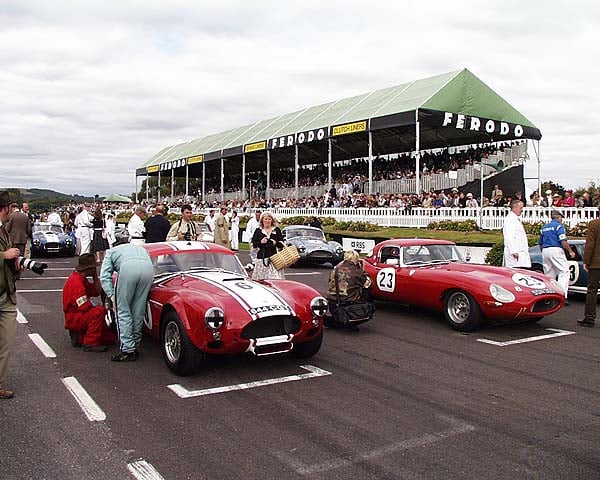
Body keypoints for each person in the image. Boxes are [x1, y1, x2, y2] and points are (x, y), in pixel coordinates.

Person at [100, 243, 154, 361]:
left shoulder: (110, 252)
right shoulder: (140, 248)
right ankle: (135, 343)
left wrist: (112, 296)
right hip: (148, 269)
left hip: (128, 268)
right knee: (138, 311)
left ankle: (128, 349)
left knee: (122, 311)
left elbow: (104, 276)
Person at [63, 254, 116, 352]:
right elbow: (84, 306)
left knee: (110, 338)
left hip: (77, 316)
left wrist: (95, 277)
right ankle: (90, 343)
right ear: (90, 268)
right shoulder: (77, 283)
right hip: (75, 317)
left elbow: (96, 291)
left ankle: (80, 337)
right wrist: (98, 310)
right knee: (99, 311)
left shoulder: (80, 279)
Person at [0, 191, 21, 399]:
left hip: (7, 293)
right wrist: (3, 255)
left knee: (6, 341)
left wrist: (15, 263)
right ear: (5, 209)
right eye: (9, 209)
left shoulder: (4, 230)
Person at [325, 250, 374, 331]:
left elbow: (330, 282)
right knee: (371, 306)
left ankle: (336, 320)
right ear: (355, 260)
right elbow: (370, 285)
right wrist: (364, 272)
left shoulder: (335, 270)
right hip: (348, 304)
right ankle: (349, 322)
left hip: (332, 303)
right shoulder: (357, 272)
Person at [539, 210, 576, 304]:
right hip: (556, 249)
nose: (562, 219)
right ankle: (561, 295)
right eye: (561, 217)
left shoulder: (544, 227)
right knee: (564, 271)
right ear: (558, 217)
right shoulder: (559, 226)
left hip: (545, 250)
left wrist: (543, 252)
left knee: (549, 274)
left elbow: (540, 243)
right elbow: (563, 240)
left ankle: (548, 296)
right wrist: (570, 251)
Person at [580, 207, 600, 327]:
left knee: (592, 290)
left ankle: (589, 317)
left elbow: (590, 245)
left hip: (596, 263)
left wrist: (586, 261)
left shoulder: (594, 224)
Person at [251, 212, 285, 280]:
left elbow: (281, 244)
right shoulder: (258, 231)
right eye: (265, 219)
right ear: (262, 220)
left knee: (275, 279)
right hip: (262, 258)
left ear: (272, 220)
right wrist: (261, 242)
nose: (267, 221)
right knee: (261, 279)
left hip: (275, 259)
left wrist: (275, 243)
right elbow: (254, 244)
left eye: (269, 219)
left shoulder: (276, 230)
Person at [502, 199, 531, 268]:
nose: (522, 210)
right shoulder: (510, 219)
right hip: (515, 253)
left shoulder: (515, 219)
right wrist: (513, 251)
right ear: (514, 208)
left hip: (520, 252)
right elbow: (509, 236)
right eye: (520, 208)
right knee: (515, 273)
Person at [7, 203, 32, 269]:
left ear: (13, 208)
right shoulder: (25, 216)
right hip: (23, 240)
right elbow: (29, 229)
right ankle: (18, 273)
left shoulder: (11, 216)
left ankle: (13, 272)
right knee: (20, 257)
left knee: (12, 257)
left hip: (13, 239)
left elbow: (7, 228)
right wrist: (28, 236)